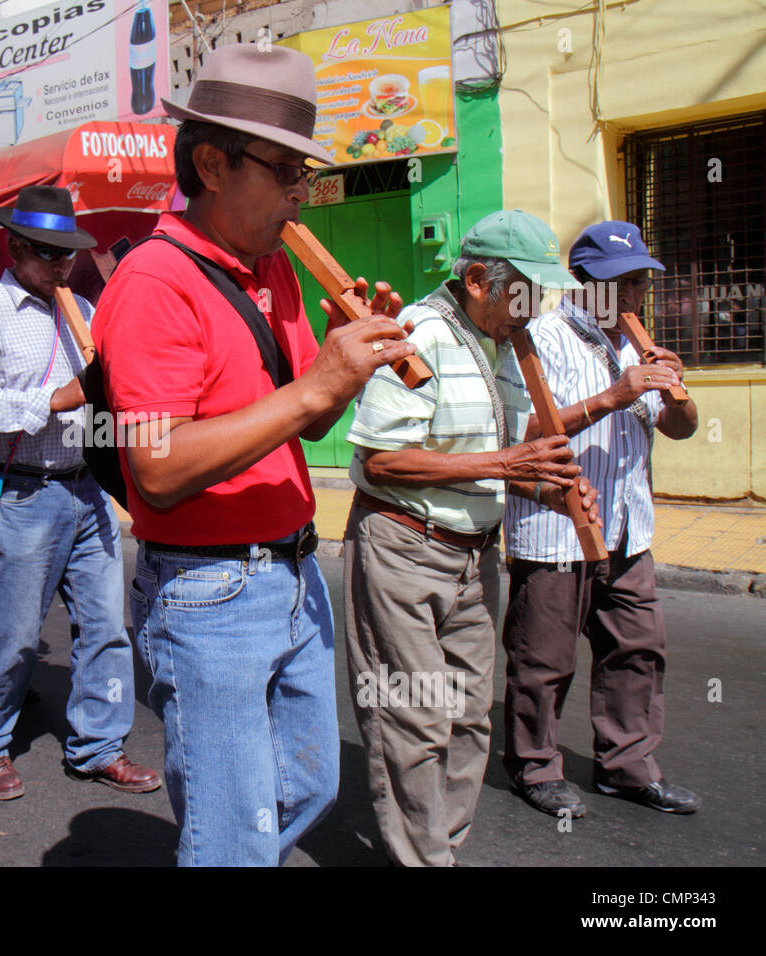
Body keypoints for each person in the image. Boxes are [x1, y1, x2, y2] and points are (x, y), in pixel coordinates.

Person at [91, 43, 417, 866]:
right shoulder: (152, 282)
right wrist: (316, 387)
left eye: (304, 173)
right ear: (211, 161)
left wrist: (345, 364)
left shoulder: (272, 264)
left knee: (307, 785)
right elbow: (157, 472)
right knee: (235, 832)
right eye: (285, 171)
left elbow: (307, 422)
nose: (300, 194)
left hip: (294, 569)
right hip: (210, 588)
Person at [343, 209, 600, 867]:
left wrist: (545, 486)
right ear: (480, 280)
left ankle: (439, 847)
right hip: (405, 547)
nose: (535, 307)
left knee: (466, 716)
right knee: (415, 715)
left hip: (474, 553)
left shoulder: (506, 342)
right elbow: (380, 462)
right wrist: (502, 465)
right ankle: (423, 858)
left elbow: (502, 454)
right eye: (526, 291)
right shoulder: (418, 334)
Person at [0, 186, 161, 801]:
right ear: (14, 246)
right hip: (23, 495)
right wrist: (56, 398)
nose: (60, 266)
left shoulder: (84, 312)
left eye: (67, 254)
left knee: (106, 626)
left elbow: (107, 400)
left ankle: (99, 746)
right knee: (14, 634)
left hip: (86, 490)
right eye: (47, 253)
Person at [502, 221, 700, 817]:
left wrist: (676, 394)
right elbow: (523, 434)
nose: (636, 296)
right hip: (557, 527)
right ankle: (534, 766)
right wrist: (612, 396)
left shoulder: (635, 343)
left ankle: (627, 766)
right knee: (545, 658)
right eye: (624, 283)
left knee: (638, 650)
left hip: (627, 527)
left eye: (642, 282)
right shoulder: (539, 336)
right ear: (584, 284)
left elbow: (681, 429)